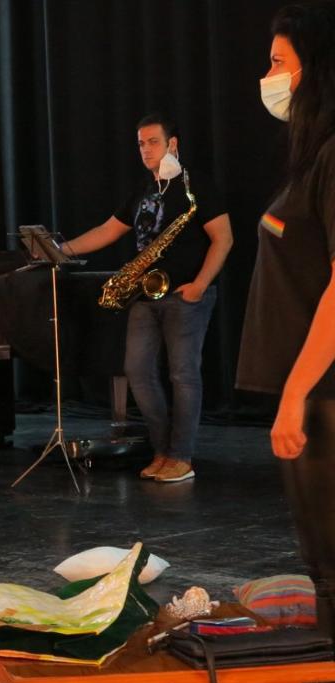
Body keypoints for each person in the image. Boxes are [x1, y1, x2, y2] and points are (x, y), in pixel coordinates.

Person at [237, 3, 335, 683]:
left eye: (278, 62)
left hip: (328, 396)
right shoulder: (313, 158)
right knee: (323, 566)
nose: (268, 77)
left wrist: (300, 390)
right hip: (314, 394)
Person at [59, 114, 233, 483]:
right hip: (145, 293)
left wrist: (200, 284)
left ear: (173, 145)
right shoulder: (143, 190)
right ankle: (162, 451)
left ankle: (181, 457)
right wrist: (61, 251)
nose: (145, 149)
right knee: (138, 371)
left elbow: (224, 238)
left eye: (153, 141)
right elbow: (109, 230)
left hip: (187, 294)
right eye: (140, 143)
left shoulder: (194, 186)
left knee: (183, 375)